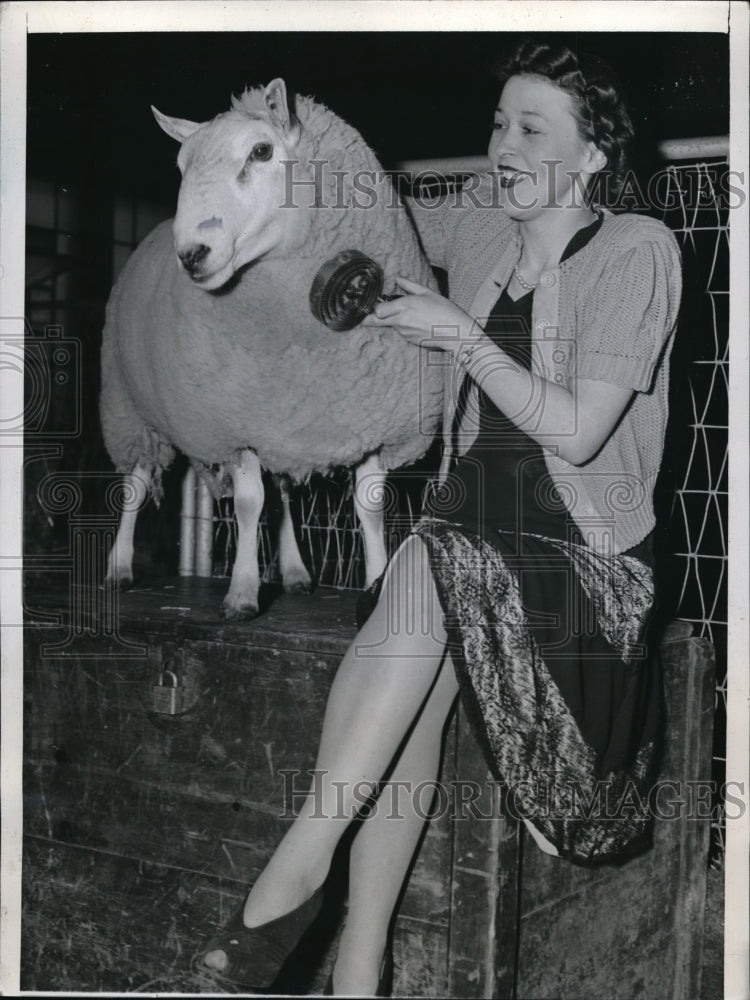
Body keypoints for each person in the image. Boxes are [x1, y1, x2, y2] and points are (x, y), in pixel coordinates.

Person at [195, 39, 682, 996]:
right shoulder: (480, 234)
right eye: (498, 122)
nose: (502, 142)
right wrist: (265, 155)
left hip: (584, 577)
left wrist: (456, 333)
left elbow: (580, 437)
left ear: (591, 154)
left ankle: (295, 873)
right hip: (470, 541)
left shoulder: (638, 251)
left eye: (532, 127)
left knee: (428, 561)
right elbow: (362, 208)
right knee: (421, 651)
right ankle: (359, 970)